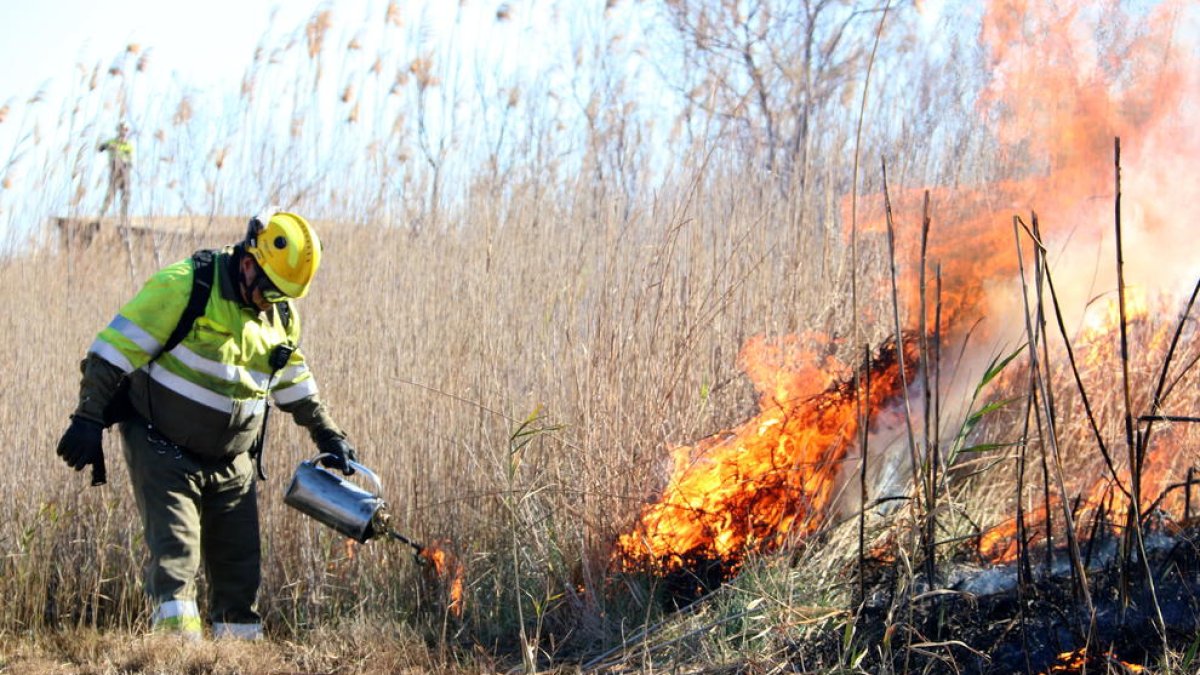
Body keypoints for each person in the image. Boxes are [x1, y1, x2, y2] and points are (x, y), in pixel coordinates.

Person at [55, 211, 359, 640]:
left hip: (233, 460)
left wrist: (328, 434)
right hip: (162, 446)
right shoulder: (184, 286)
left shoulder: (281, 314)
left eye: (285, 294)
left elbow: (294, 381)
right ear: (249, 263)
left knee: (240, 570)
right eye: (271, 290)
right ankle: (175, 653)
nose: (273, 302)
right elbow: (111, 351)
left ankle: (236, 656)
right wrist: (86, 418)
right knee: (177, 557)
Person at [98, 121, 133, 223]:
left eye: (125, 130)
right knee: (110, 194)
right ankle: (101, 215)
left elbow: (129, 160)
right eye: (122, 129)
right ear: (119, 130)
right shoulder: (112, 142)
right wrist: (108, 146)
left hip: (125, 172)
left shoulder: (128, 146)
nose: (124, 132)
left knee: (125, 195)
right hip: (115, 172)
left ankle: (123, 217)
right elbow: (101, 148)